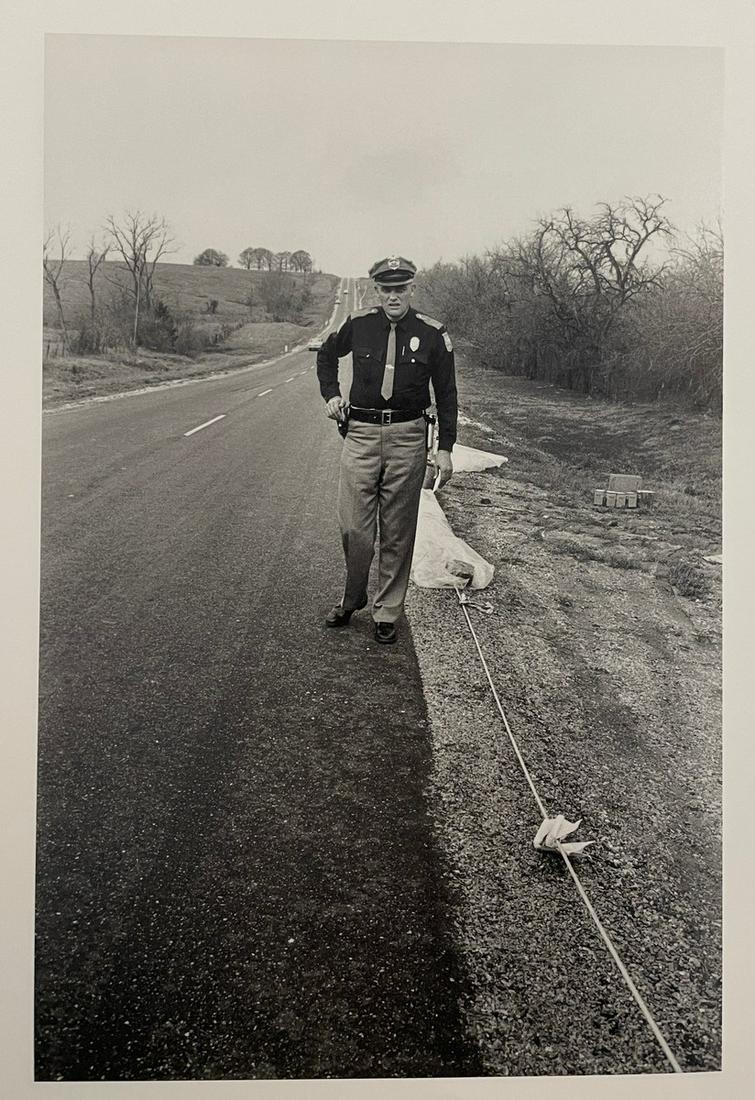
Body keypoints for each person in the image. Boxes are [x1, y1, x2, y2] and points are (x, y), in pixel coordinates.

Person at [317, 255, 458, 645]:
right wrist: (331, 395)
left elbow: (447, 394)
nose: (393, 296)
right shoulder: (359, 325)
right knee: (353, 527)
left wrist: (445, 448)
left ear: (412, 288)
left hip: (408, 436)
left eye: (401, 289)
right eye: (386, 289)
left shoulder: (432, 333)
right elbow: (326, 356)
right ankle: (354, 595)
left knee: (397, 529)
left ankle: (387, 611)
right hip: (360, 434)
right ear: (376, 290)